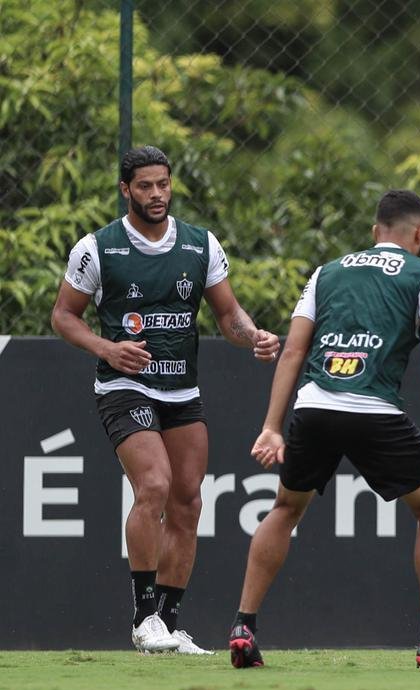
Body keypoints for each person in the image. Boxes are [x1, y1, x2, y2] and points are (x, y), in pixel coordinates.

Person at [227, 189, 420, 671]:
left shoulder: (328, 271)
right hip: (375, 411)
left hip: (314, 406)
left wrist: (272, 427)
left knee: (284, 509)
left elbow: (295, 350)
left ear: (373, 231)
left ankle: (244, 626)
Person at [51, 146, 280, 654]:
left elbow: (228, 315)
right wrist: (107, 347)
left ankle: (170, 624)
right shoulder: (98, 248)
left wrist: (254, 336)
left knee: (188, 500)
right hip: (123, 384)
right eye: (146, 186)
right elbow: (64, 315)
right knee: (152, 484)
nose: (156, 195)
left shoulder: (200, 245)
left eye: (163, 185)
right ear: (125, 189)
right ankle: (142, 618)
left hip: (182, 387)